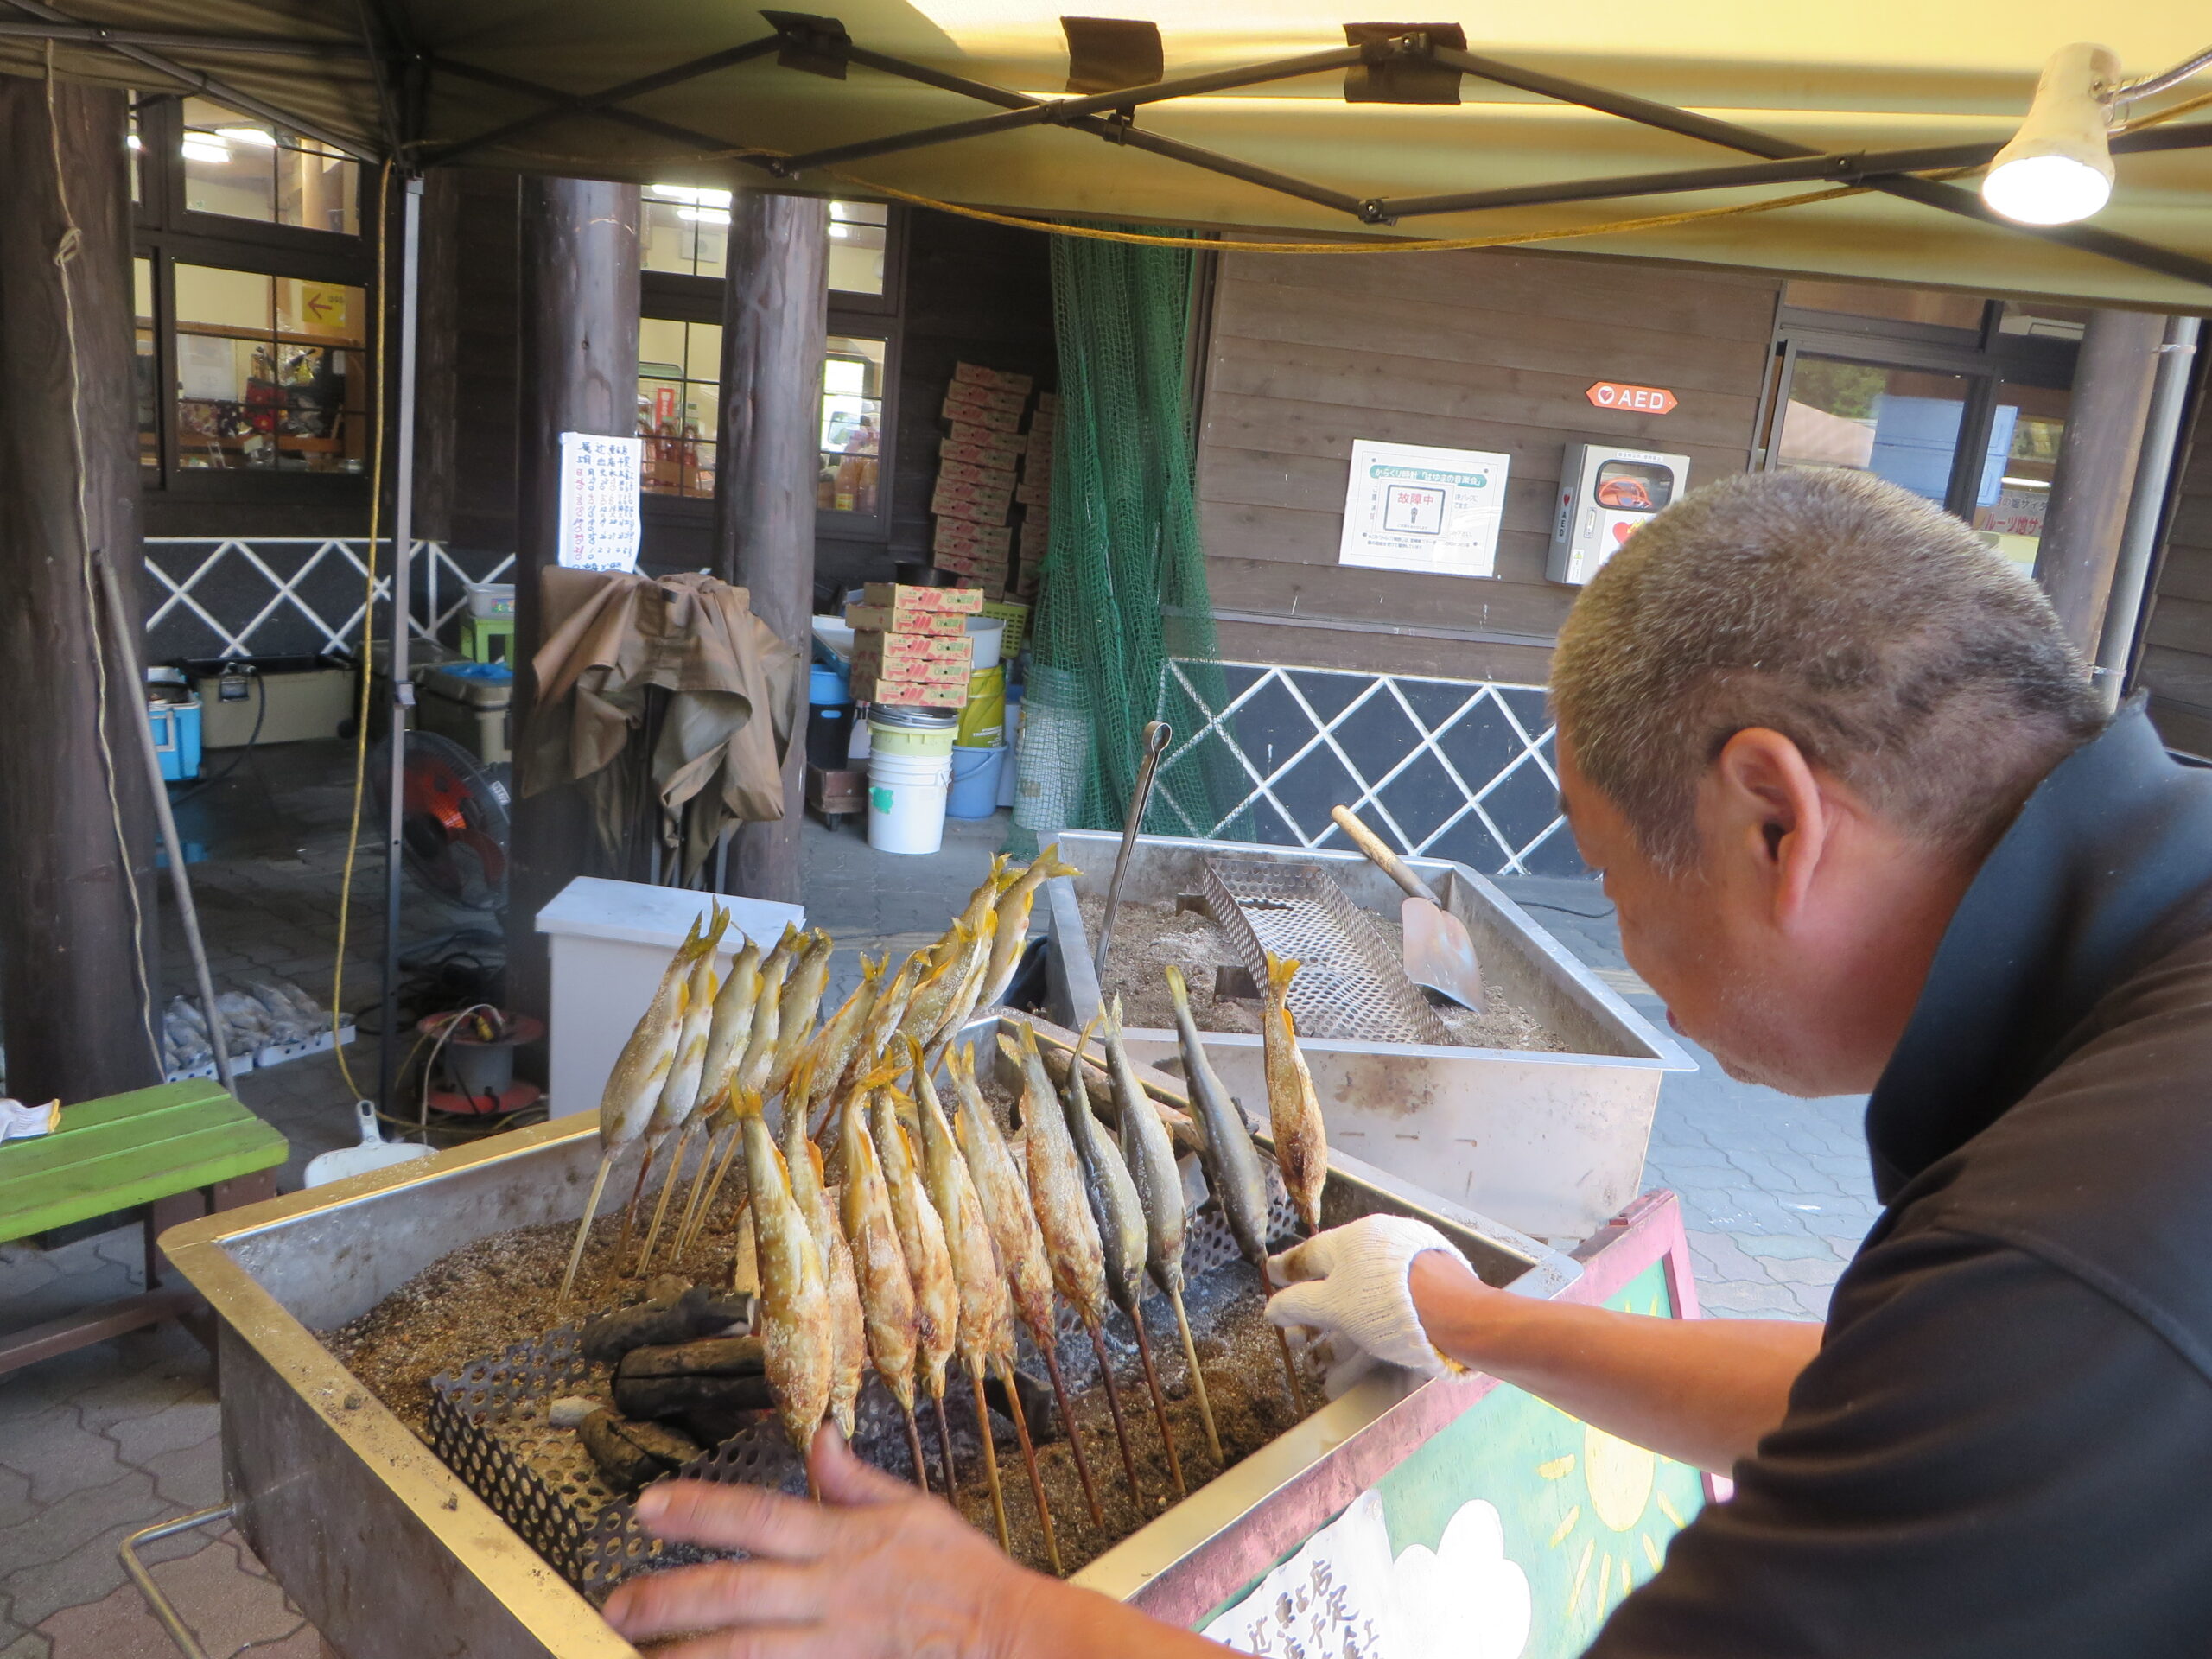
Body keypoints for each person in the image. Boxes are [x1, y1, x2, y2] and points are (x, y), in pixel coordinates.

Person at [601, 467, 2212, 1657]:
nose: (1626, 954)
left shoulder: (2076, 1252)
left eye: (1612, 876)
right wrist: (1471, 1317)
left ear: (1772, 820)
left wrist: (980, 1627)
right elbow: (1895, 1401)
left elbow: (2005, 1352)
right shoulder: (2132, 1067)